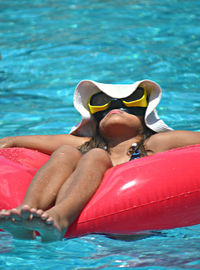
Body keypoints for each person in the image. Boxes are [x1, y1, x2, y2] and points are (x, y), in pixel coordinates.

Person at [0, 79, 200, 242]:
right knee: (66, 152)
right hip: (89, 234)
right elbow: (12, 141)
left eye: (130, 100)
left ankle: (60, 216)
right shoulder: (86, 143)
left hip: (135, 231)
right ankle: (24, 215)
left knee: (96, 155)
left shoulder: (156, 142)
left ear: (145, 115)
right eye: (102, 102)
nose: (115, 107)